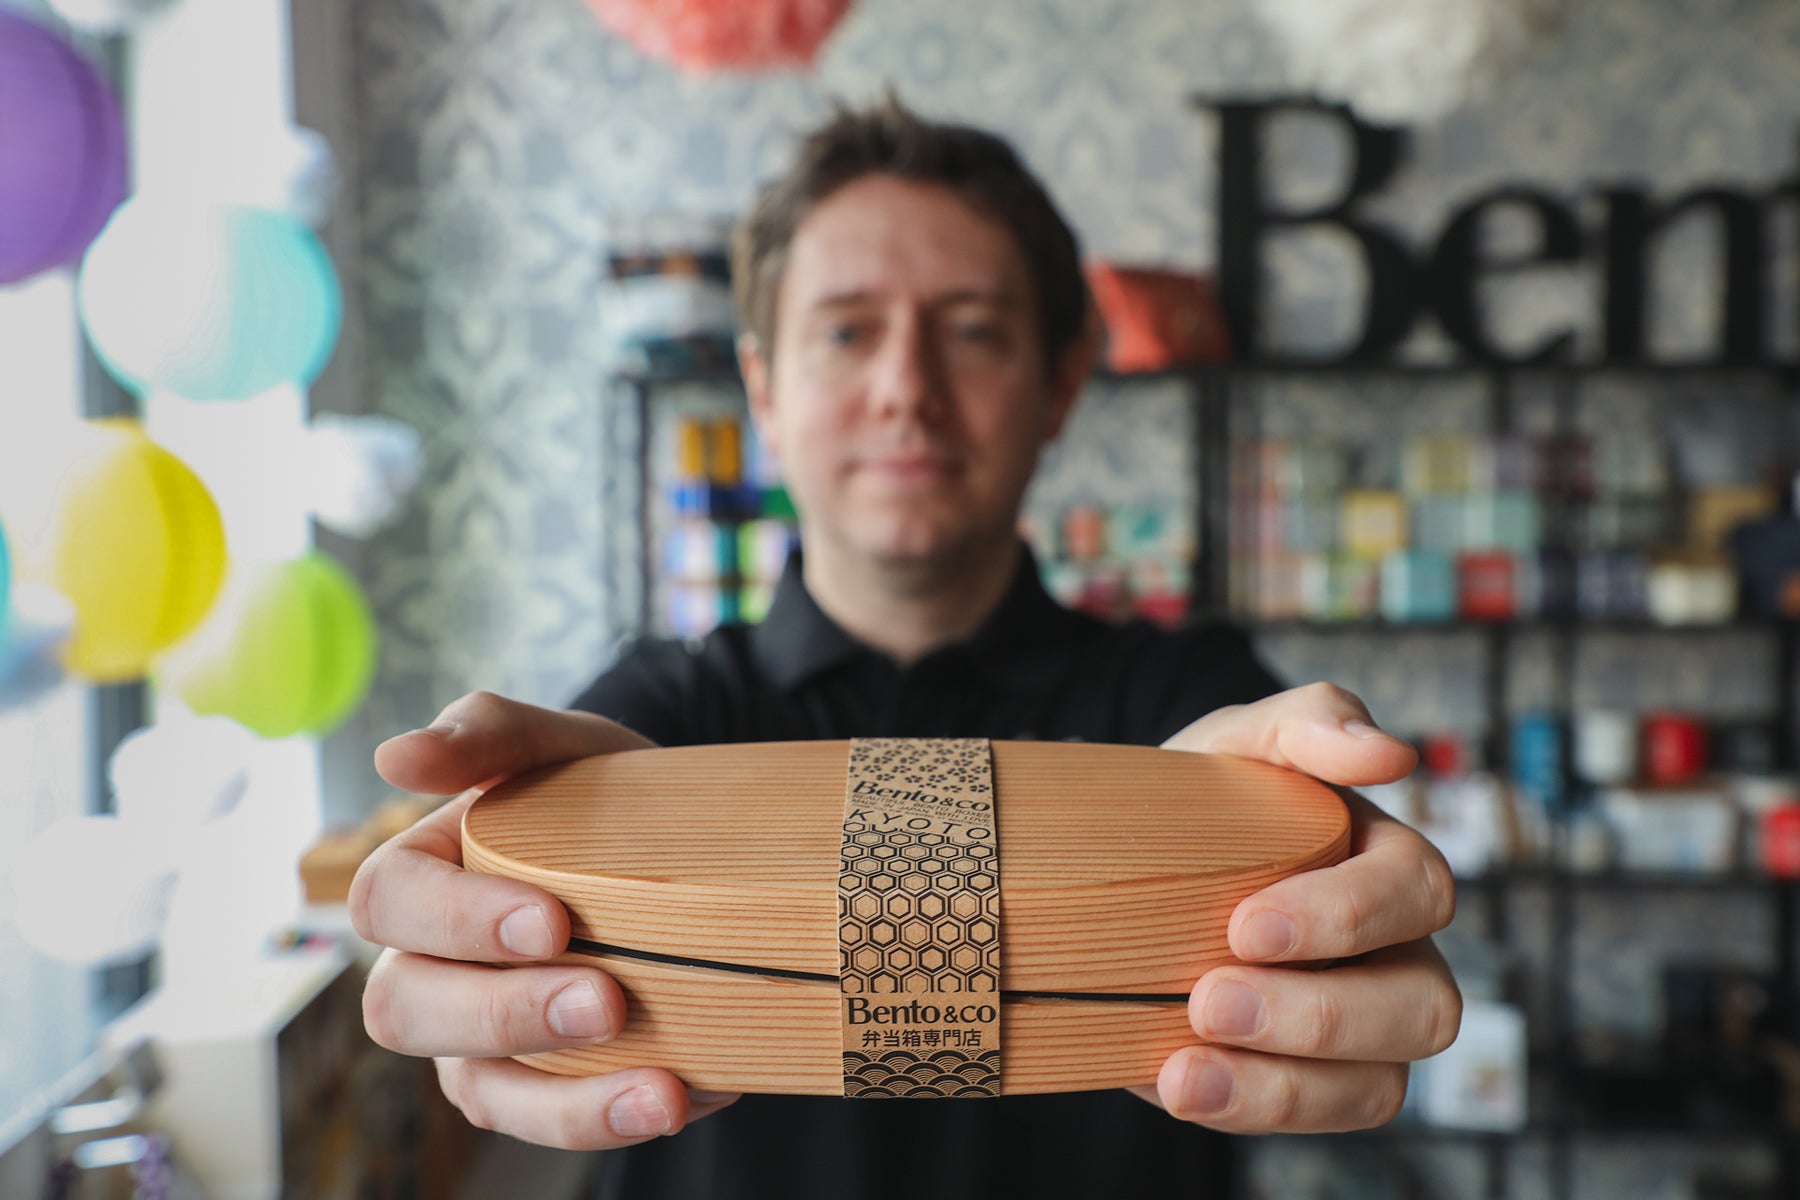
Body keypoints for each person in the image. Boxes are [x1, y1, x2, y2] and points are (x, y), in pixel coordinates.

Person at [350, 98, 1460, 1198]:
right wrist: (497, 919)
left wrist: (1327, 886)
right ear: (764, 392)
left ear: (1062, 382)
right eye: (846, 330)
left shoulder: (1189, 708)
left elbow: (1305, 854)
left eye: (974, 329)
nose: (906, 391)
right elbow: (528, 910)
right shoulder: (650, 724)